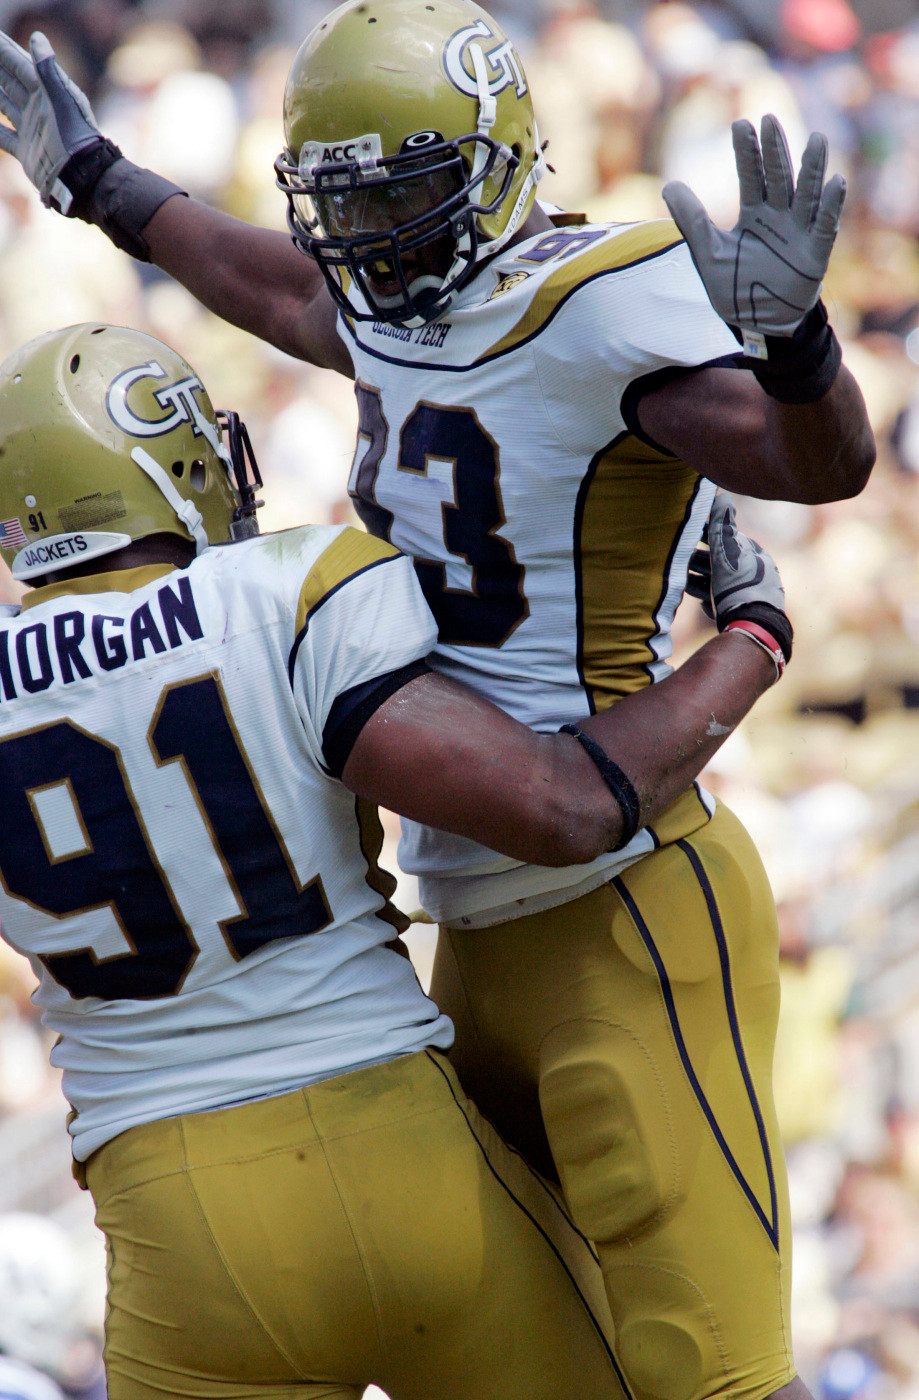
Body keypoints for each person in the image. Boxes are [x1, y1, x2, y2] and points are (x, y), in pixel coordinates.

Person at [0, 6, 876, 1397]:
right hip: (469, 919)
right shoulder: (347, 407)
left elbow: (810, 465)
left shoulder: (597, 297)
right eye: (344, 201)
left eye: (404, 190)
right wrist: (103, 183)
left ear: (494, 157)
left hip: (626, 890)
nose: (374, 236)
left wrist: (800, 353)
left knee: (704, 1372)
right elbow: (284, 290)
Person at [0, 320, 786, 1400]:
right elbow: (558, 808)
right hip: (397, 1153)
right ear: (162, 462)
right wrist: (751, 640)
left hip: (174, 1222)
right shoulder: (285, 588)